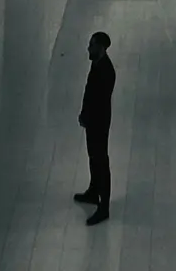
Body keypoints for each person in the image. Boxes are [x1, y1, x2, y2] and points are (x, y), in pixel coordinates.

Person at [74, 30, 116, 225]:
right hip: (93, 120)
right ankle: (93, 190)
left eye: (91, 45)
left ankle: (104, 206)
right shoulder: (97, 64)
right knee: (93, 156)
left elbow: (98, 100)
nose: (88, 48)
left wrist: (88, 116)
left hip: (98, 122)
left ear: (100, 47)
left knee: (100, 160)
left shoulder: (105, 71)